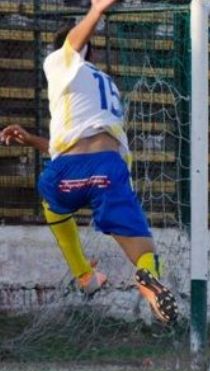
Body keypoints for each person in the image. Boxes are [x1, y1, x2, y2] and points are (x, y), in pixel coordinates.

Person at [0, 0, 177, 325]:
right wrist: (31, 139)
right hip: (108, 172)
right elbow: (76, 139)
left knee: (52, 203)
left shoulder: (59, 61)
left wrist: (97, 10)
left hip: (67, 174)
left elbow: (71, 46)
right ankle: (147, 280)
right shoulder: (104, 86)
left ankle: (85, 275)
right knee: (144, 250)